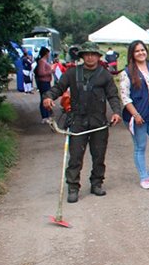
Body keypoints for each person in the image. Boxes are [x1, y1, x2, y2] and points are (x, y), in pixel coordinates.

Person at [42, 42, 122, 203]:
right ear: (82, 56)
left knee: (99, 155)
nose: (90, 57)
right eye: (87, 54)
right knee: (75, 157)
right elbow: (58, 88)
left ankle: (97, 183)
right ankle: (73, 187)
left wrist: (116, 112)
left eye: (93, 54)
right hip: (77, 120)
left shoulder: (105, 75)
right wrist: (48, 97)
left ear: (99, 57)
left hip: (99, 121)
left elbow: (113, 96)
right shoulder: (72, 73)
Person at [120, 40, 149, 190]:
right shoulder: (126, 72)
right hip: (137, 115)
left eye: (143, 50)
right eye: (137, 51)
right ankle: (143, 177)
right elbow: (125, 97)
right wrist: (135, 114)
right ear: (132, 54)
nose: (141, 53)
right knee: (140, 146)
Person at [35, 47, 54, 123]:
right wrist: (50, 71)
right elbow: (41, 73)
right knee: (44, 98)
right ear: (46, 53)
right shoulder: (42, 62)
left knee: (47, 98)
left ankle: (47, 115)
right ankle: (44, 116)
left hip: (46, 82)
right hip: (43, 82)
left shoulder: (44, 61)